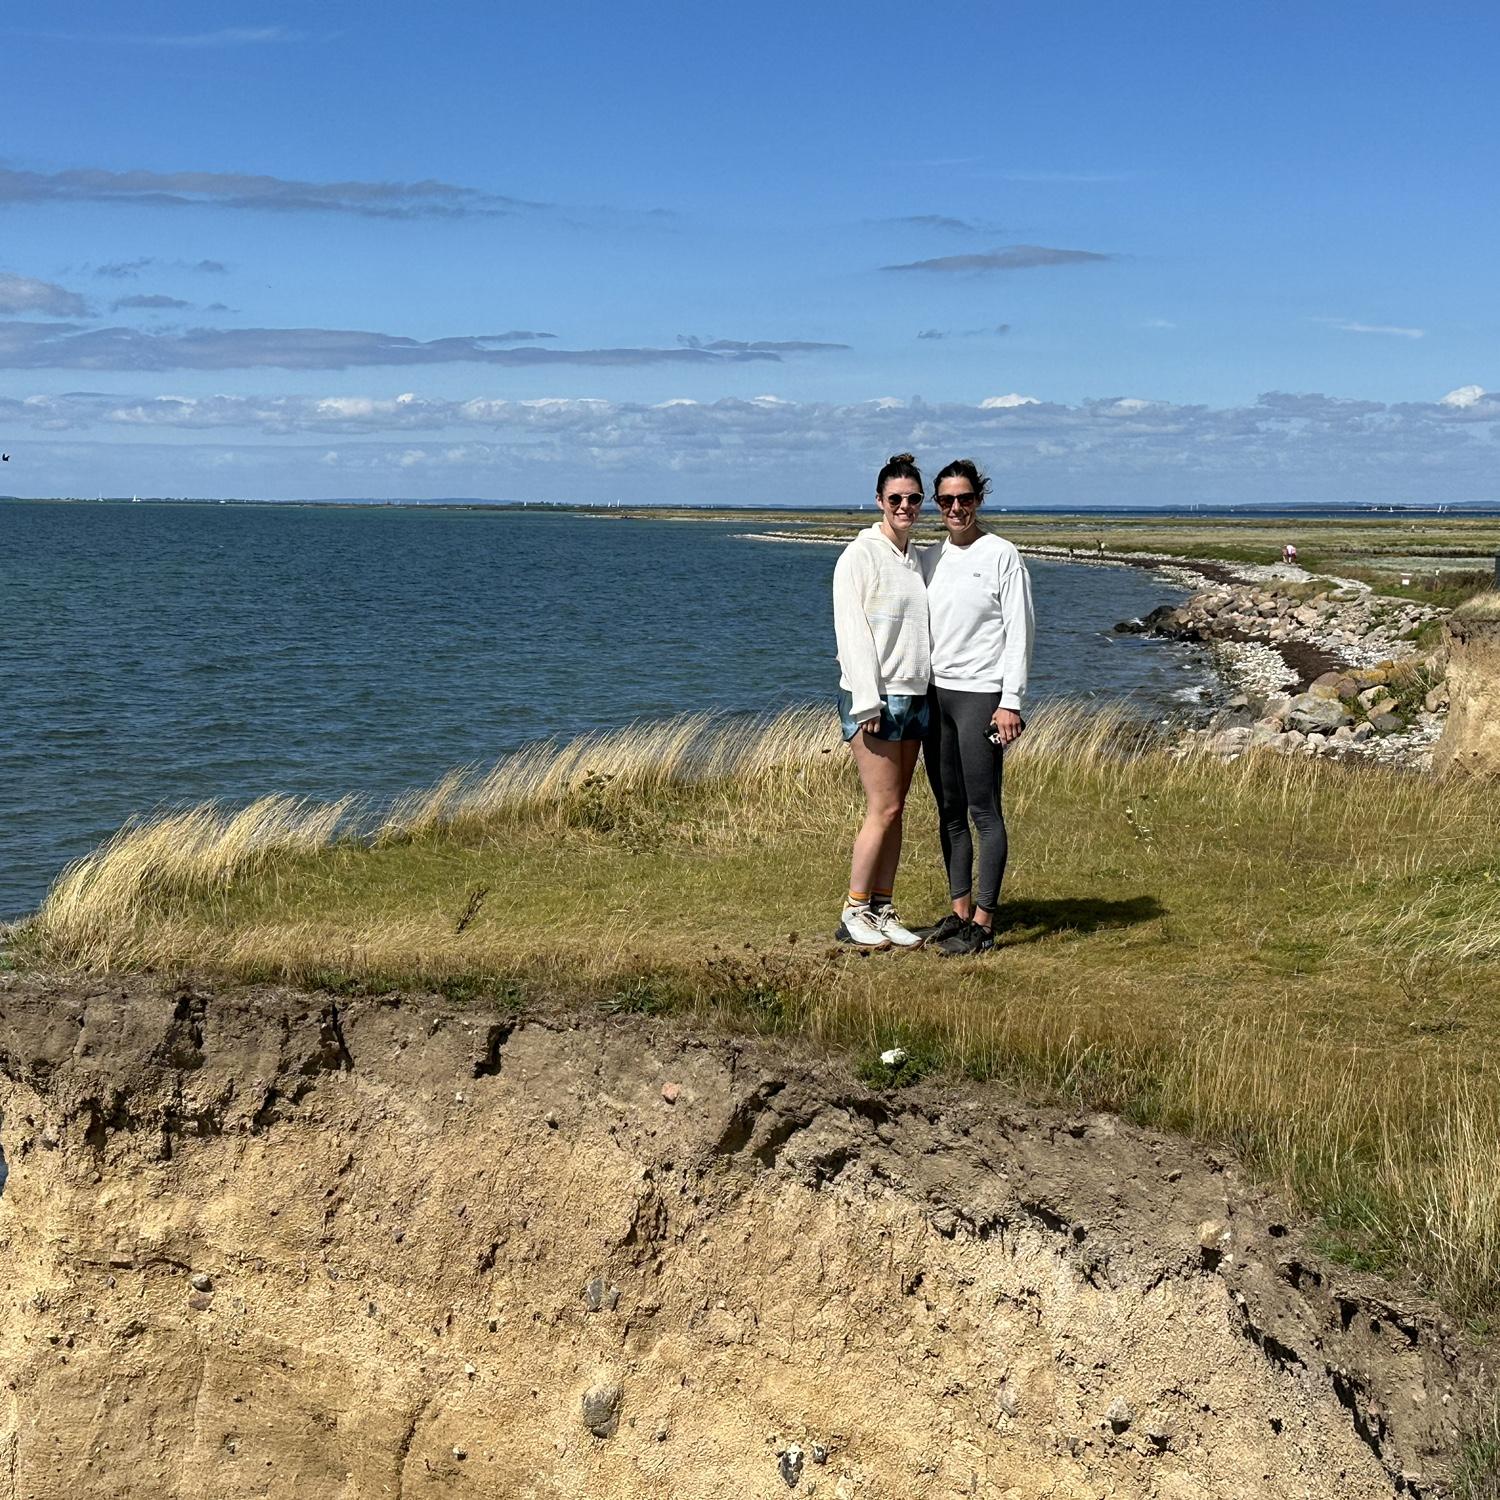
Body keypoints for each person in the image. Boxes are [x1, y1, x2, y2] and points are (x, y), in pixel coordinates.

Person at [918, 459, 1034, 957]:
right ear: (937, 504)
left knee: (983, 810)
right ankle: (960, 911)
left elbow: (1020, 632)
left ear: (978, 500)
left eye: (964, 498)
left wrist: (1011, 702)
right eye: (946, 500)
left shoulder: (1002, 555)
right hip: (935, 695)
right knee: (949, 810)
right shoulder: (929, 558)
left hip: (982, 696)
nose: (956, 508)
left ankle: (985, 922)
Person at [831, 453, 931, 950]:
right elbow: (851, 631)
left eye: (914, 498)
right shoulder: (860, 555)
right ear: (879, 500)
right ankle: (854, 909)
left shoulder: (917, 558)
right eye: (896, 498)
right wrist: (867, 703)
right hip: (876, 698)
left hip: (916, 694)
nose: (905, 506)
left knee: (897, 809)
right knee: (883, 807)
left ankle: (882, 907)